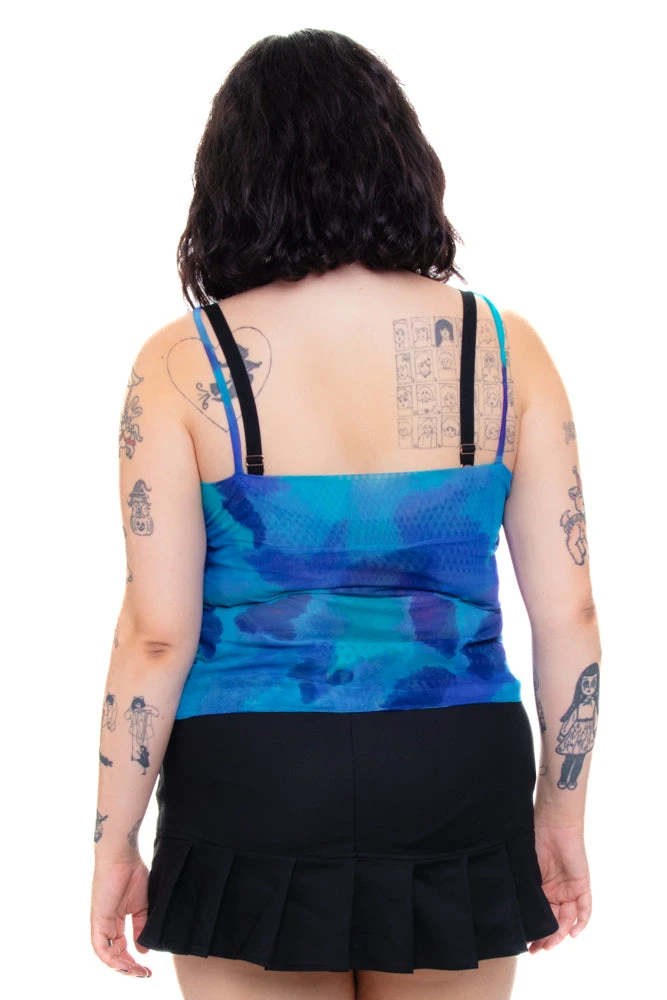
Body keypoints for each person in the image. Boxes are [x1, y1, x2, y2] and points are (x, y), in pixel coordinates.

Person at [90, 28, 600, 1000]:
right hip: (456, 764)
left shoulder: (182, 363)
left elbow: (155, 634)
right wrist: (561, 812)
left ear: (231, 179)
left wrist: (115, 843)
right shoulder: (503, 349)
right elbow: (568, 613)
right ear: (401, 161)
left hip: (253, 772)